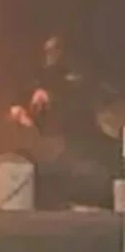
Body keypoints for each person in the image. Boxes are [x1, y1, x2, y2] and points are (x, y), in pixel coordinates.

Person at [9, 35, 119, 208]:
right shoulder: (39, 80)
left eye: (55, 50)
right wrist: (20, 111)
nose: (50, 56)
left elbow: (83, 96)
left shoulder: (81, 81)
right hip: (59, 153)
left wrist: (51, 96)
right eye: (47, 51)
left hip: (83, 150)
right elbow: (21, 106)